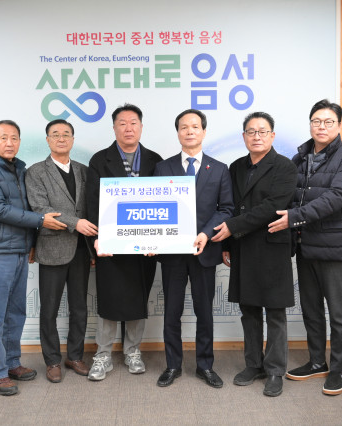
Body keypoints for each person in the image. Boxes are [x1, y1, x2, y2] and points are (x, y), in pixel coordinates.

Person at [268, 99, 342, 396]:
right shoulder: (300, 157)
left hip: (335, 247)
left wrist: (294, 217)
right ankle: (317, 362)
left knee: (338, 313)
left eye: (328, 122)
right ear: (310, 124)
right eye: (316, 121)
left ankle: (338, 369)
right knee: (311, 310)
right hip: (305, 244)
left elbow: (335, 199)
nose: (322, 127)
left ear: (339, 125)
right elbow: (287, 194)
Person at [0, 119, 67, 396]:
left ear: (19, 142)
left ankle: (12, 363)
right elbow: (0, 209)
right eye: (3, 138)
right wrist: (41, 221)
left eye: (14, 138)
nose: (9, 143)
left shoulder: (20, 169)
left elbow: (27, 207)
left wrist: (33, 242)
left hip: (20, 252)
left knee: (15, 314)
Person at [211, 112, 297, 397]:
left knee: (275, 312)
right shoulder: (236, 166)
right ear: (244, 136)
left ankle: (275, 370)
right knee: (248, 310)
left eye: (262, 131)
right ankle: (253, 365)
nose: (256, 136)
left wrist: (232, 228)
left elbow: (273, 207)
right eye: (251, 131)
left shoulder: (285, 167)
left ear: (272, 135)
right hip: (243, 246)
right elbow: (229, 205)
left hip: (272, 247)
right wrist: (226, 244)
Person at [153, 109, 233, 388]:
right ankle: (173, 365)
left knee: (205, 312)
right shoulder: (163, 168)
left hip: (205, 252)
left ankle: (205, 365)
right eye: (184, 127)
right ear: (178, 133)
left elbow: (227, 209)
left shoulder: (220, 169)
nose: (189, 131)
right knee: (171, 312)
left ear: (204, 132)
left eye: (195, 126)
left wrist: (205, 233)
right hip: (172, 253)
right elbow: (155, 208)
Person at [85, 103, 163, 381]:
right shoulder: (99, 160)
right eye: (122, 123)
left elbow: (163, 202)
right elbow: (92, 203)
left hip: (145, 247)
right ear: (114, 128)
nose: (128, 128)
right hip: (111, 245)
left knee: (137, 298)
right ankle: (103, 354)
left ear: (141, 127)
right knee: (108, 299)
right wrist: (96, 240)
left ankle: (132, 351)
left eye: (133, 123)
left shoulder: (155, 160)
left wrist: (160, 241)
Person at [25, 119, 97, 383]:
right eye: (55, 134)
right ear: (48, 140)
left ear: (73, 140)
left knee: (80, 308)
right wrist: (75, 223)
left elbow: (92, 207)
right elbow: (40, 209)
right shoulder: (36, 172)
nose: (61, 138)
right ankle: (53, 360)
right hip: (52, 247)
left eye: (66, 134)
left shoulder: (84, 171)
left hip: (81, 249)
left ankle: (75, 356)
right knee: (50, 309)